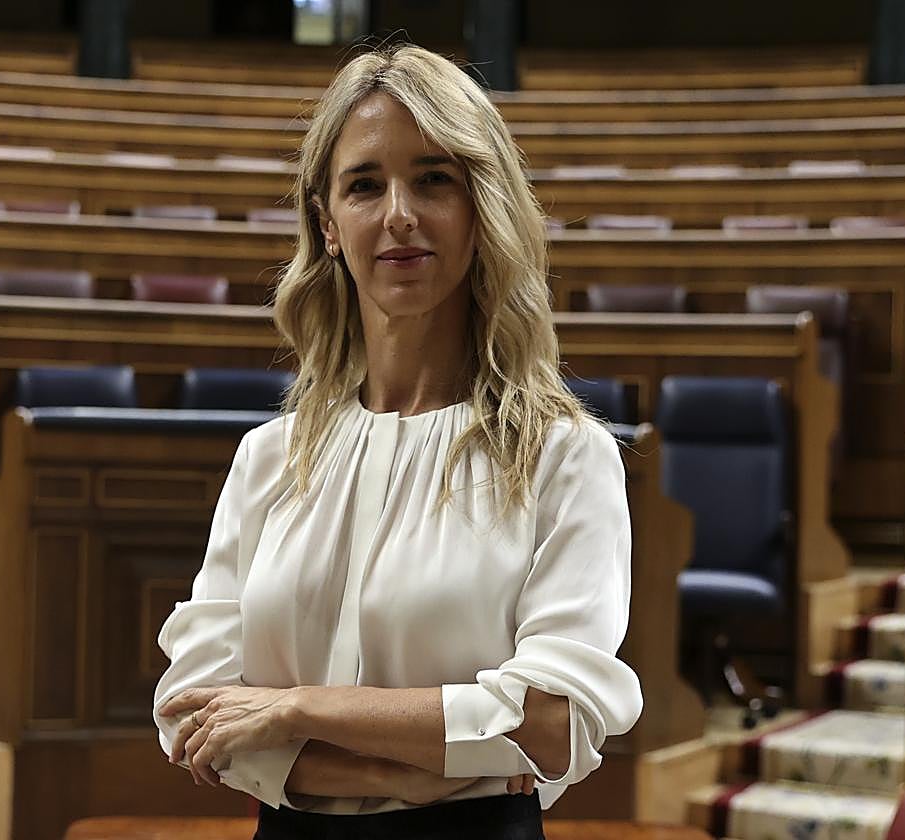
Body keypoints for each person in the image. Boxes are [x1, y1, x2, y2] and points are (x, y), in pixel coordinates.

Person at [153, 43, 642, 839]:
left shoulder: (564, 457)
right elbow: (193, 710)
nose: (399, 214)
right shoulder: (268, 461)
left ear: (481, 210)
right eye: (365, 185)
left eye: (434, 179)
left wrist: (296, 710)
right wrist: (394, 770)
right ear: (329, 223)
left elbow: (553, 722)